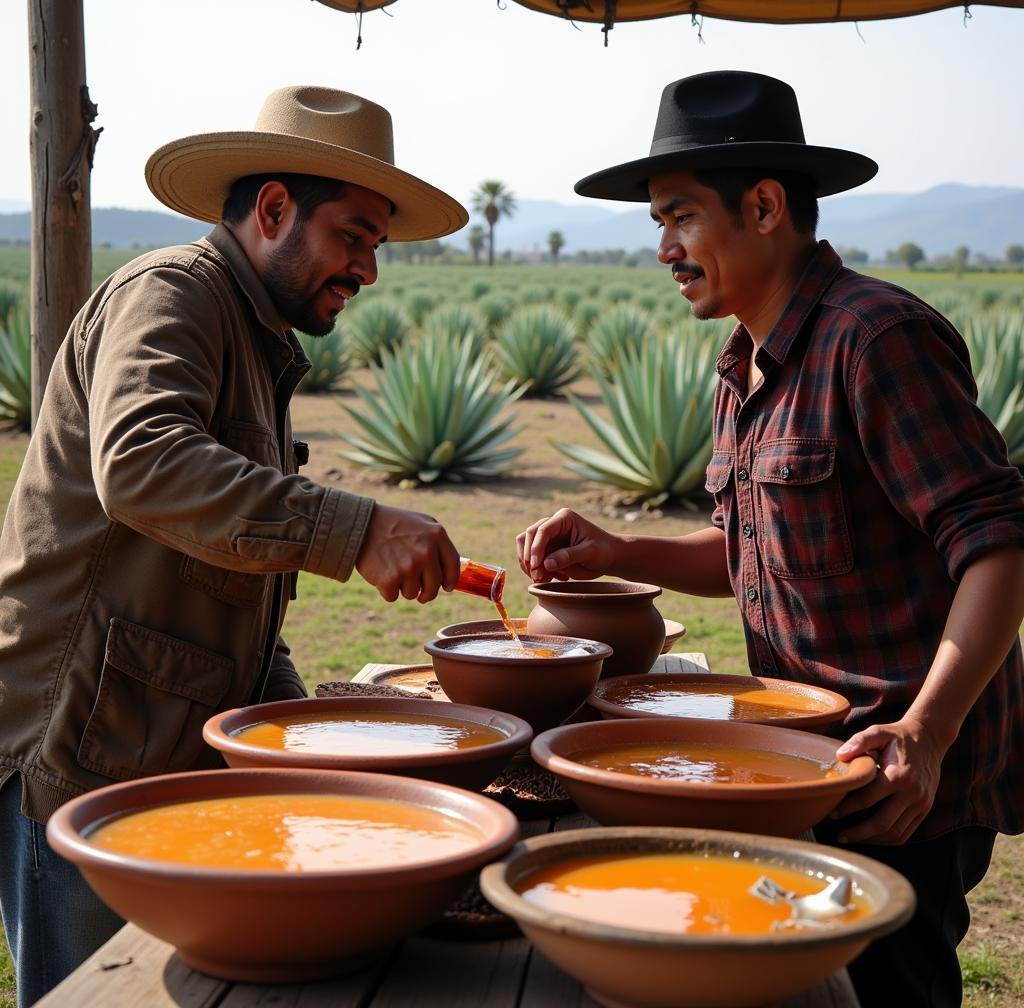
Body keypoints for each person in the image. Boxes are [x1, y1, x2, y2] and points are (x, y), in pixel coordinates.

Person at [518, 71, 1024, 1008]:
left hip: (895, 775)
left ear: (762, 207)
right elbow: (752, 552)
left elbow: (996, 544)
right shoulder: (744, 362)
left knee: (887, 990)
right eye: (656, 224)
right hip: (797, 761)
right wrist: (620, 550)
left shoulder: (875, 339)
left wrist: (928, 730)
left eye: (679, 217)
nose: (664, 248)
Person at [0, 84, 469, 1006]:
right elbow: (141, 464)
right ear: (275, 210)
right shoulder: (172, 293)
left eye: (375, 246)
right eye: (356, 237)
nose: (368, 269)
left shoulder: (254, 336)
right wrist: (359, 528)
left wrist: (295, 733)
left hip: (144, 745)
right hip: (72, 758)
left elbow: (229, 580)